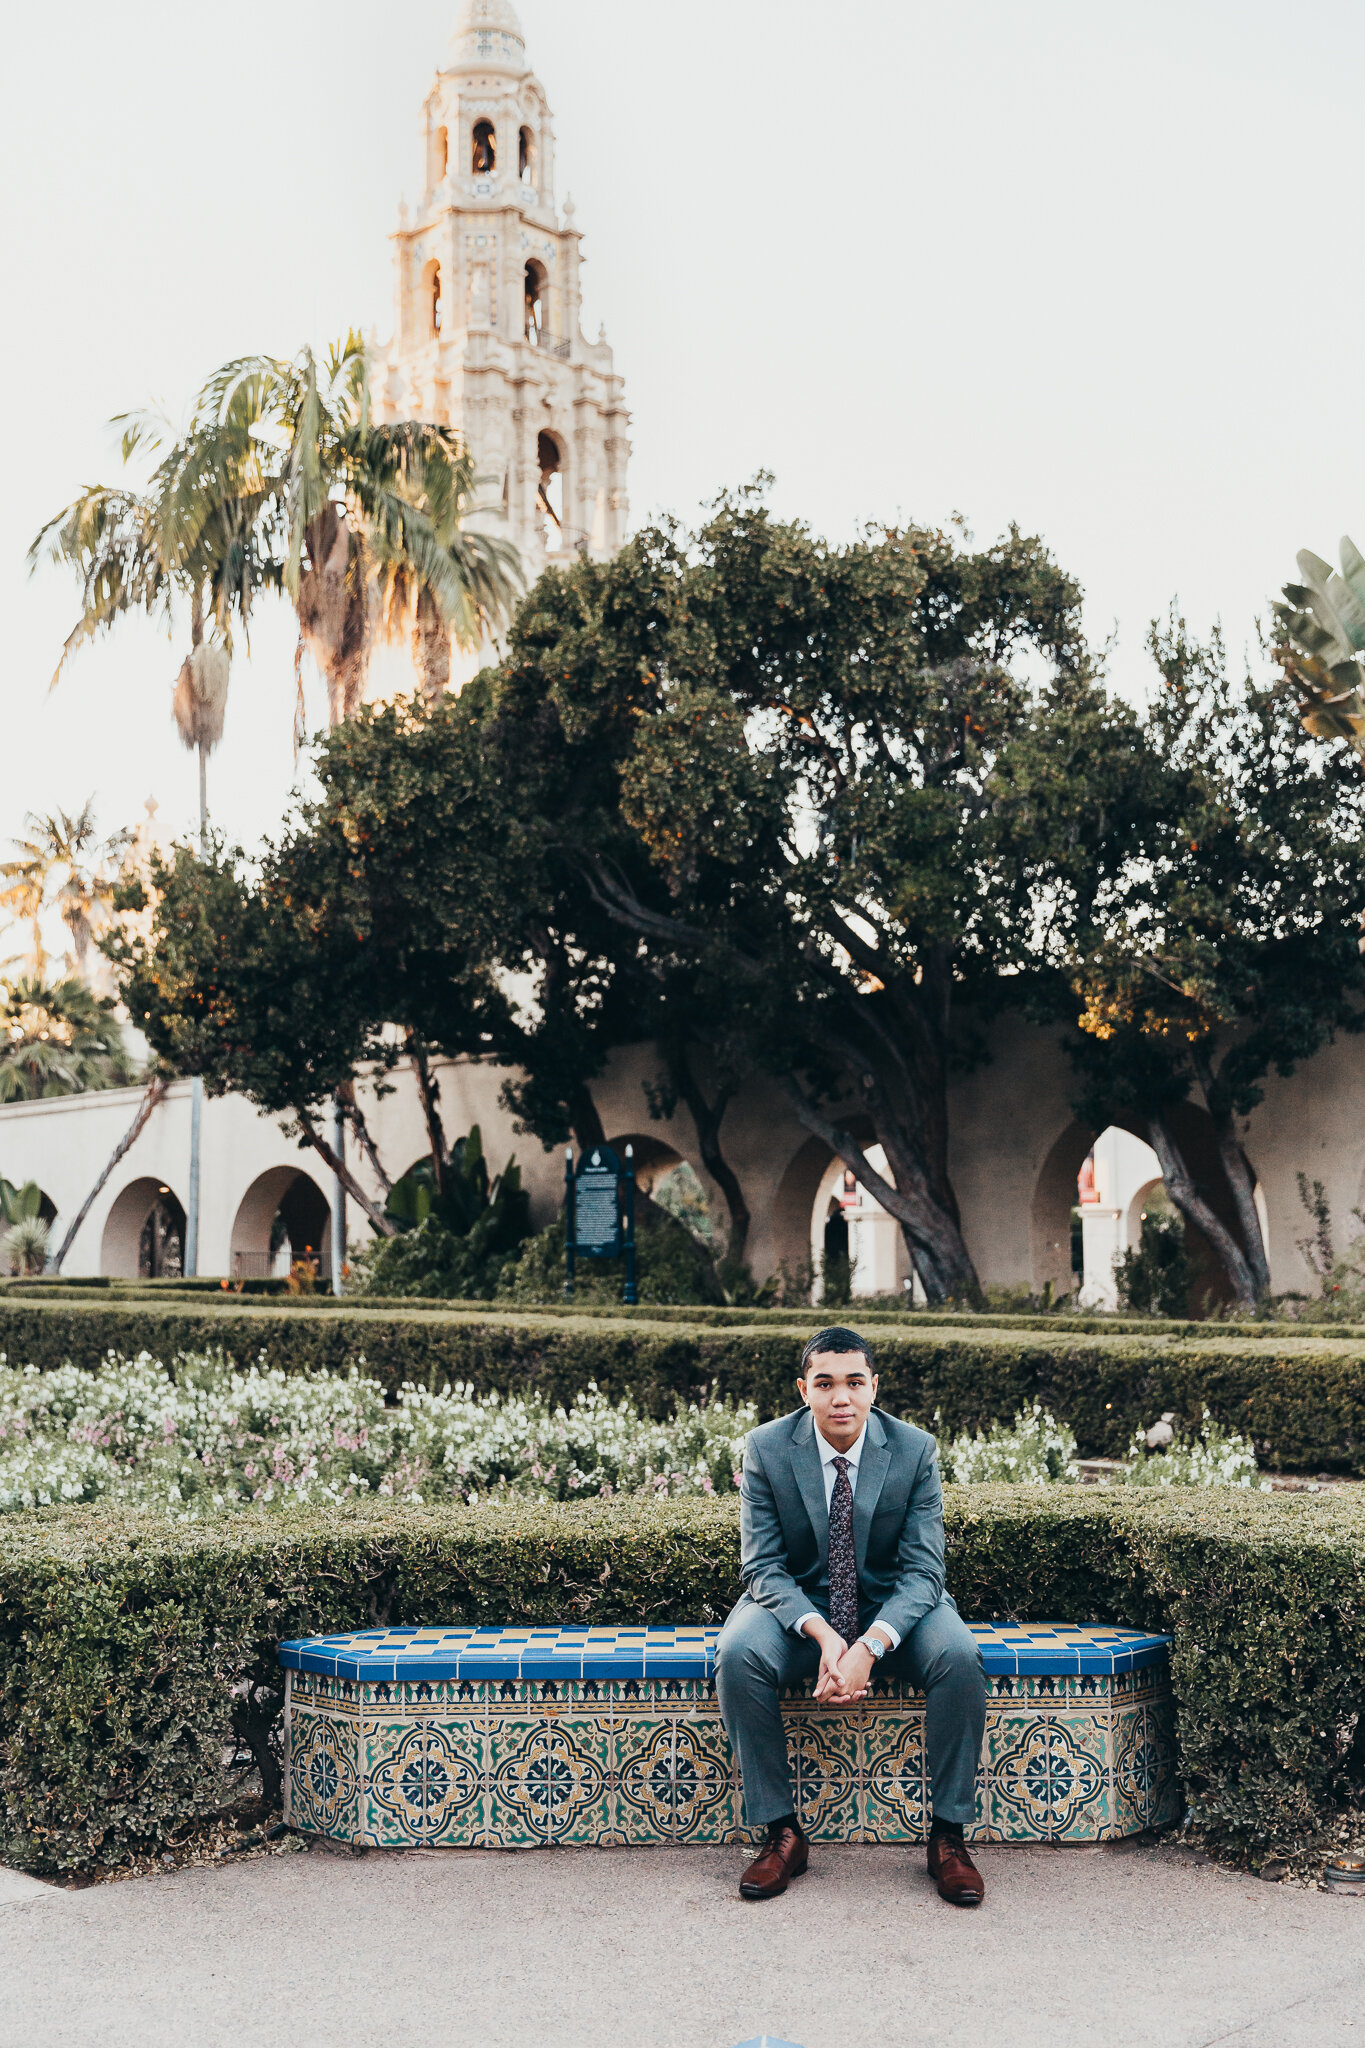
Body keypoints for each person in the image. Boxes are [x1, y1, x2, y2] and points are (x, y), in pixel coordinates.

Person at [715, 1325, 987, 1905]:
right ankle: (782, 1833)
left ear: (873, 1387)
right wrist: (823, 1634)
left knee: (960, 1657)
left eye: (854, 1382)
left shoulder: (914, 1449)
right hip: (797, 1604)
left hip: (896, 1607)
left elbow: (924, 1572)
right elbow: (762, 1568)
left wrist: (867, 1646)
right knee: (737, 1655)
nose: (841, 1398)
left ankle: (949, 1837)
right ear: (803, 1389)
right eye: (825, 1383)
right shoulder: (766, 1447)